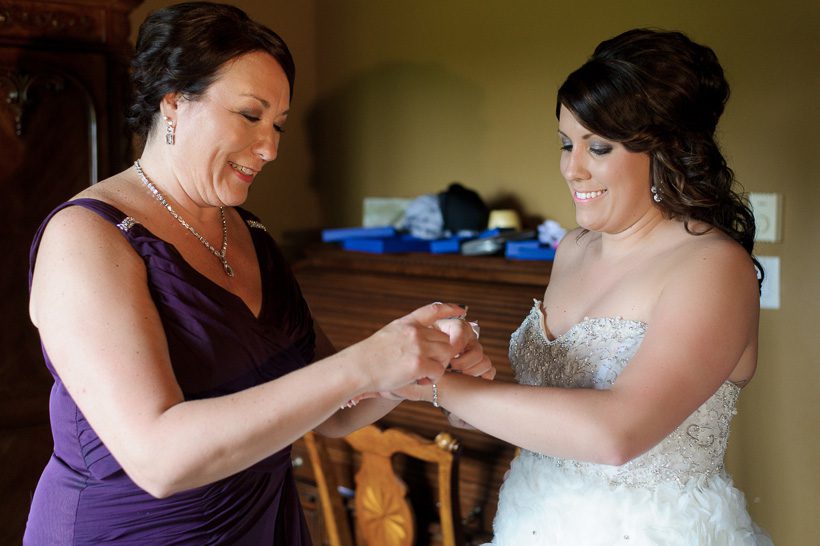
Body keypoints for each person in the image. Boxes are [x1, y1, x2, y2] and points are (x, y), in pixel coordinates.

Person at [23, 3, 493, 544]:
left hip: (263, 526)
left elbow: (332, 413)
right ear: (173, 103)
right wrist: (367, 362)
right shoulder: (87, 236)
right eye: (250, 115)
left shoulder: (252, 233)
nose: (269, 148)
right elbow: (158, 461)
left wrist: (414, 363)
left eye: (278, 125)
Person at [398, 29, 773, 544]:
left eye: (598, 147)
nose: (572, 169)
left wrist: (435, 385)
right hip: (532, 522)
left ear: (665, 152)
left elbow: (617, 433)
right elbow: (546, 423)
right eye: (566, 142)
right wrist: (465, 377)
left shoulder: (712, 267)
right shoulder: (573, 249)